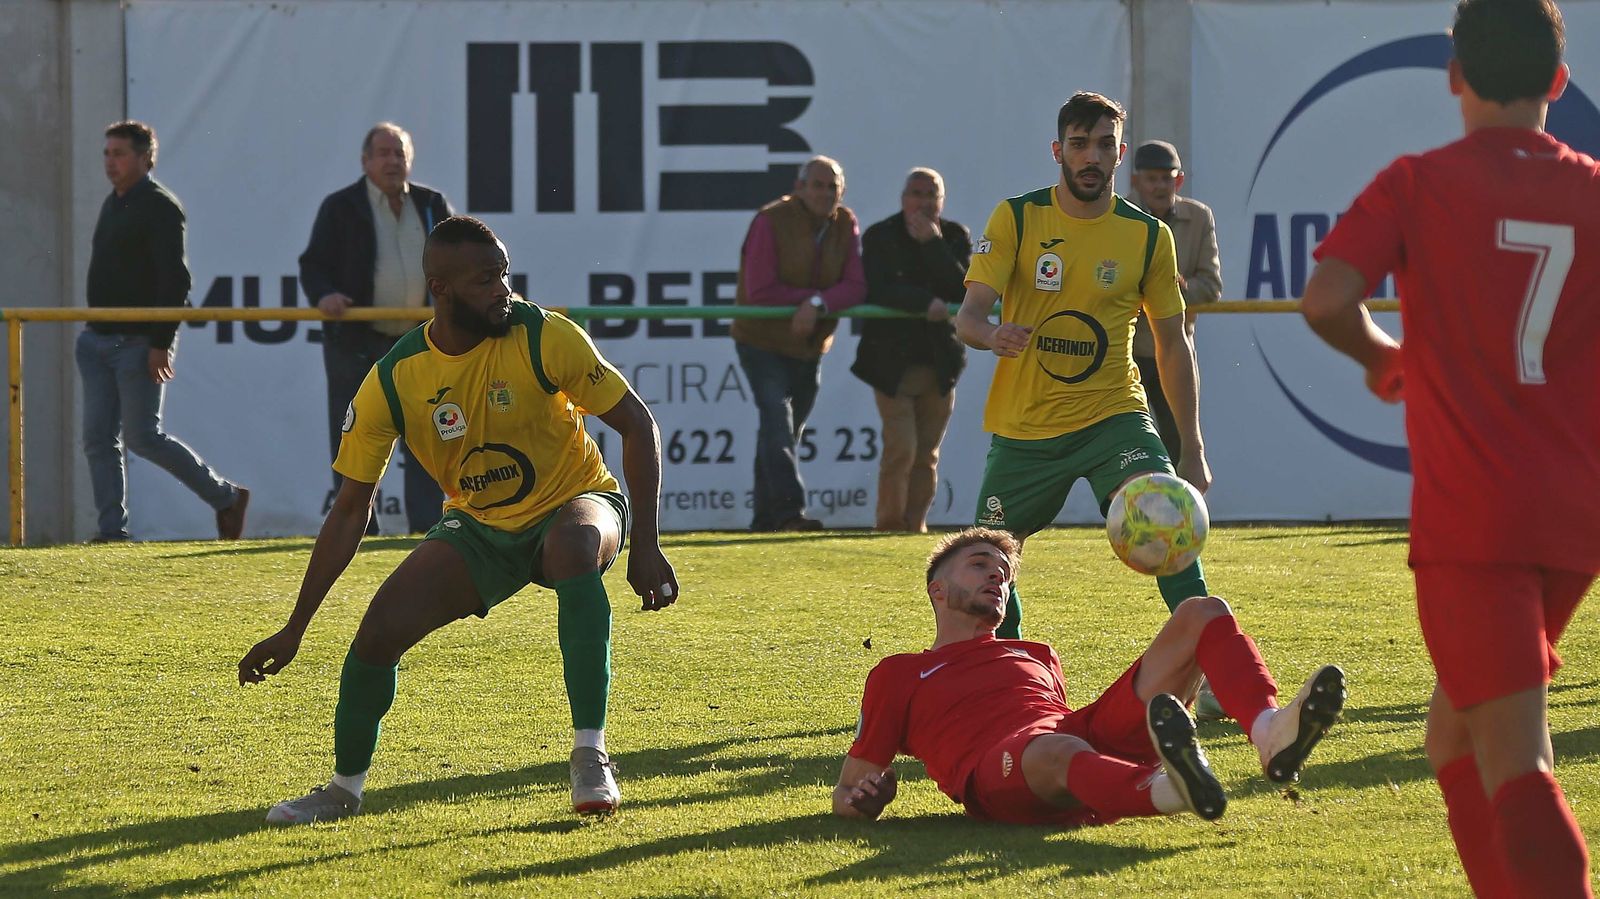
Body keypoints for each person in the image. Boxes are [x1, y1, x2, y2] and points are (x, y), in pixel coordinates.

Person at [240, 216, 678, 823]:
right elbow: (349, 509)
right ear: (440, 290)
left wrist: (647, 545)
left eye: (503, 273)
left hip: (577, 498)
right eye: (484, 280)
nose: (502, 288)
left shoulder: (544, 335)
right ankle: (343, 790)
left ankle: (589, 753)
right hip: (479, 526)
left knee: (573, 548)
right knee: (376, 635)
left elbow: (638, 424)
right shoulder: (395, 377)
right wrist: (295, 627)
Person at [1302, 2, 1599, 895]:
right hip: (1575, 513)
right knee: (1453, 734)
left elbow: (1325, 300)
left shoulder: (1417, 182)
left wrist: (1385, 361)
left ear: (1453, 75)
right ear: (1557, 81)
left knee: (1516, 757)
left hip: (1477, 517)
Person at [832, 528, 1345, 827]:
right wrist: (866, 801)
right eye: (980, 565)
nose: (997, 577)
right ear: (937, 591)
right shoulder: (898, 673)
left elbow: (1065, 727)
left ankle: (1268, 732)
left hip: (1072, 737)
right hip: (999, 772)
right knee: (1052, 750)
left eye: (1005, 575)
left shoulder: (1037, 653)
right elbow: (849, 791)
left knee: (1202, 611)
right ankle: (1167, 788)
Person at [954, 93, 1212, 640]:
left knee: (1166, 518)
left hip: (1112, 416)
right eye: (1078, 144)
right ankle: (1009, 676)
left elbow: (1174, 343)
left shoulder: (1147, 236)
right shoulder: (1018, 218)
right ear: (1058, 151)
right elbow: (968, 319)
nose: (1090, 157)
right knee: (984, 559)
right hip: (1025, 425)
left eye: (1102, 145)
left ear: (1120, 154)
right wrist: (992, 334)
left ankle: (1212, 666)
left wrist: (1192, 446)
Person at [77, 120, 249, 543]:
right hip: (96, 338)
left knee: (142, 437)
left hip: (136, 341)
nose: (110, 162)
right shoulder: (114, 202)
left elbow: (175, 281)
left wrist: (160, 343)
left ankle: (225, 497)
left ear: (145, 158)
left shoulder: (159, 205)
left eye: (119, 154)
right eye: (107, 153)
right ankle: (110, 531)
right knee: (98, 439)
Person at [299, 122, 450, 535]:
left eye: (399, 153)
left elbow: (458, 260)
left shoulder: (432, 204)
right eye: (383, 153)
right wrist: (325, 295)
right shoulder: (340, 207)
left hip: (419, 342)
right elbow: (312, 265)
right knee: (357, 437)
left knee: (424, 433)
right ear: (365, 161)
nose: (392, 161)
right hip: (356, 341)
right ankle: (358, 529)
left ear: (410, 160)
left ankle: (426, 527)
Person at [731, 156, 867, 531]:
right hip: (761, 340)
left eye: (833, 186)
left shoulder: (846, 223)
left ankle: (764, 520)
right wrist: (811, 300)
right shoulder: (770, 220)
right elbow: (759, 291)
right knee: (777, 422)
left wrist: (816, 304)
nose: (826, 193)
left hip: (809, 345)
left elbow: (856, 286)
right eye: (818, 185)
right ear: (800, 187)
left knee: (783, 432)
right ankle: (790, 513)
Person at [1127, 140, 1222, 464]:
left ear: (1179, 180)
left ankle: (1183, 512)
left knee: (1181, 447)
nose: (1160, 186)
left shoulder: (1199, 217)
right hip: (1123, 355)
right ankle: (1128, 513)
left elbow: (1210, 286)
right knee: (1126, 448)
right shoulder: (1118, 217)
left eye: (1166, 178)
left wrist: (1170, 288)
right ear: (1135, 181)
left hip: (1177, 349)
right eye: (1152, 178)